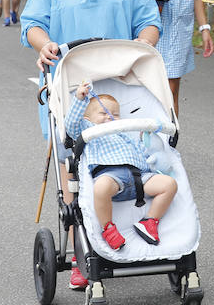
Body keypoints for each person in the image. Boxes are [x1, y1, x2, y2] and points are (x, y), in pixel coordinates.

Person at [20, 0, 161, 289]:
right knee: (74, 172)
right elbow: (32, 23)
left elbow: (149, 23)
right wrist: (43, 44)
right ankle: (82, 251)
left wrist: (141, 49)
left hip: (121, 87)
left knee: (135, 162)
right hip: (70, 89)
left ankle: (139, 234)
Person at [66, 81, 177, 249]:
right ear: (88, 119)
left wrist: (147, 144)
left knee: (169, 184)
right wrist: (80, 99)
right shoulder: (88, 130)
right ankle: (108, 228)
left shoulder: (125, 135)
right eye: (103, 113)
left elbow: (143, 152)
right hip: (111, 175)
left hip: (140, 176)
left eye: (115, 114)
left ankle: (149, 221)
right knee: (101, 188)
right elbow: (71, 126)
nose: (110, 117)